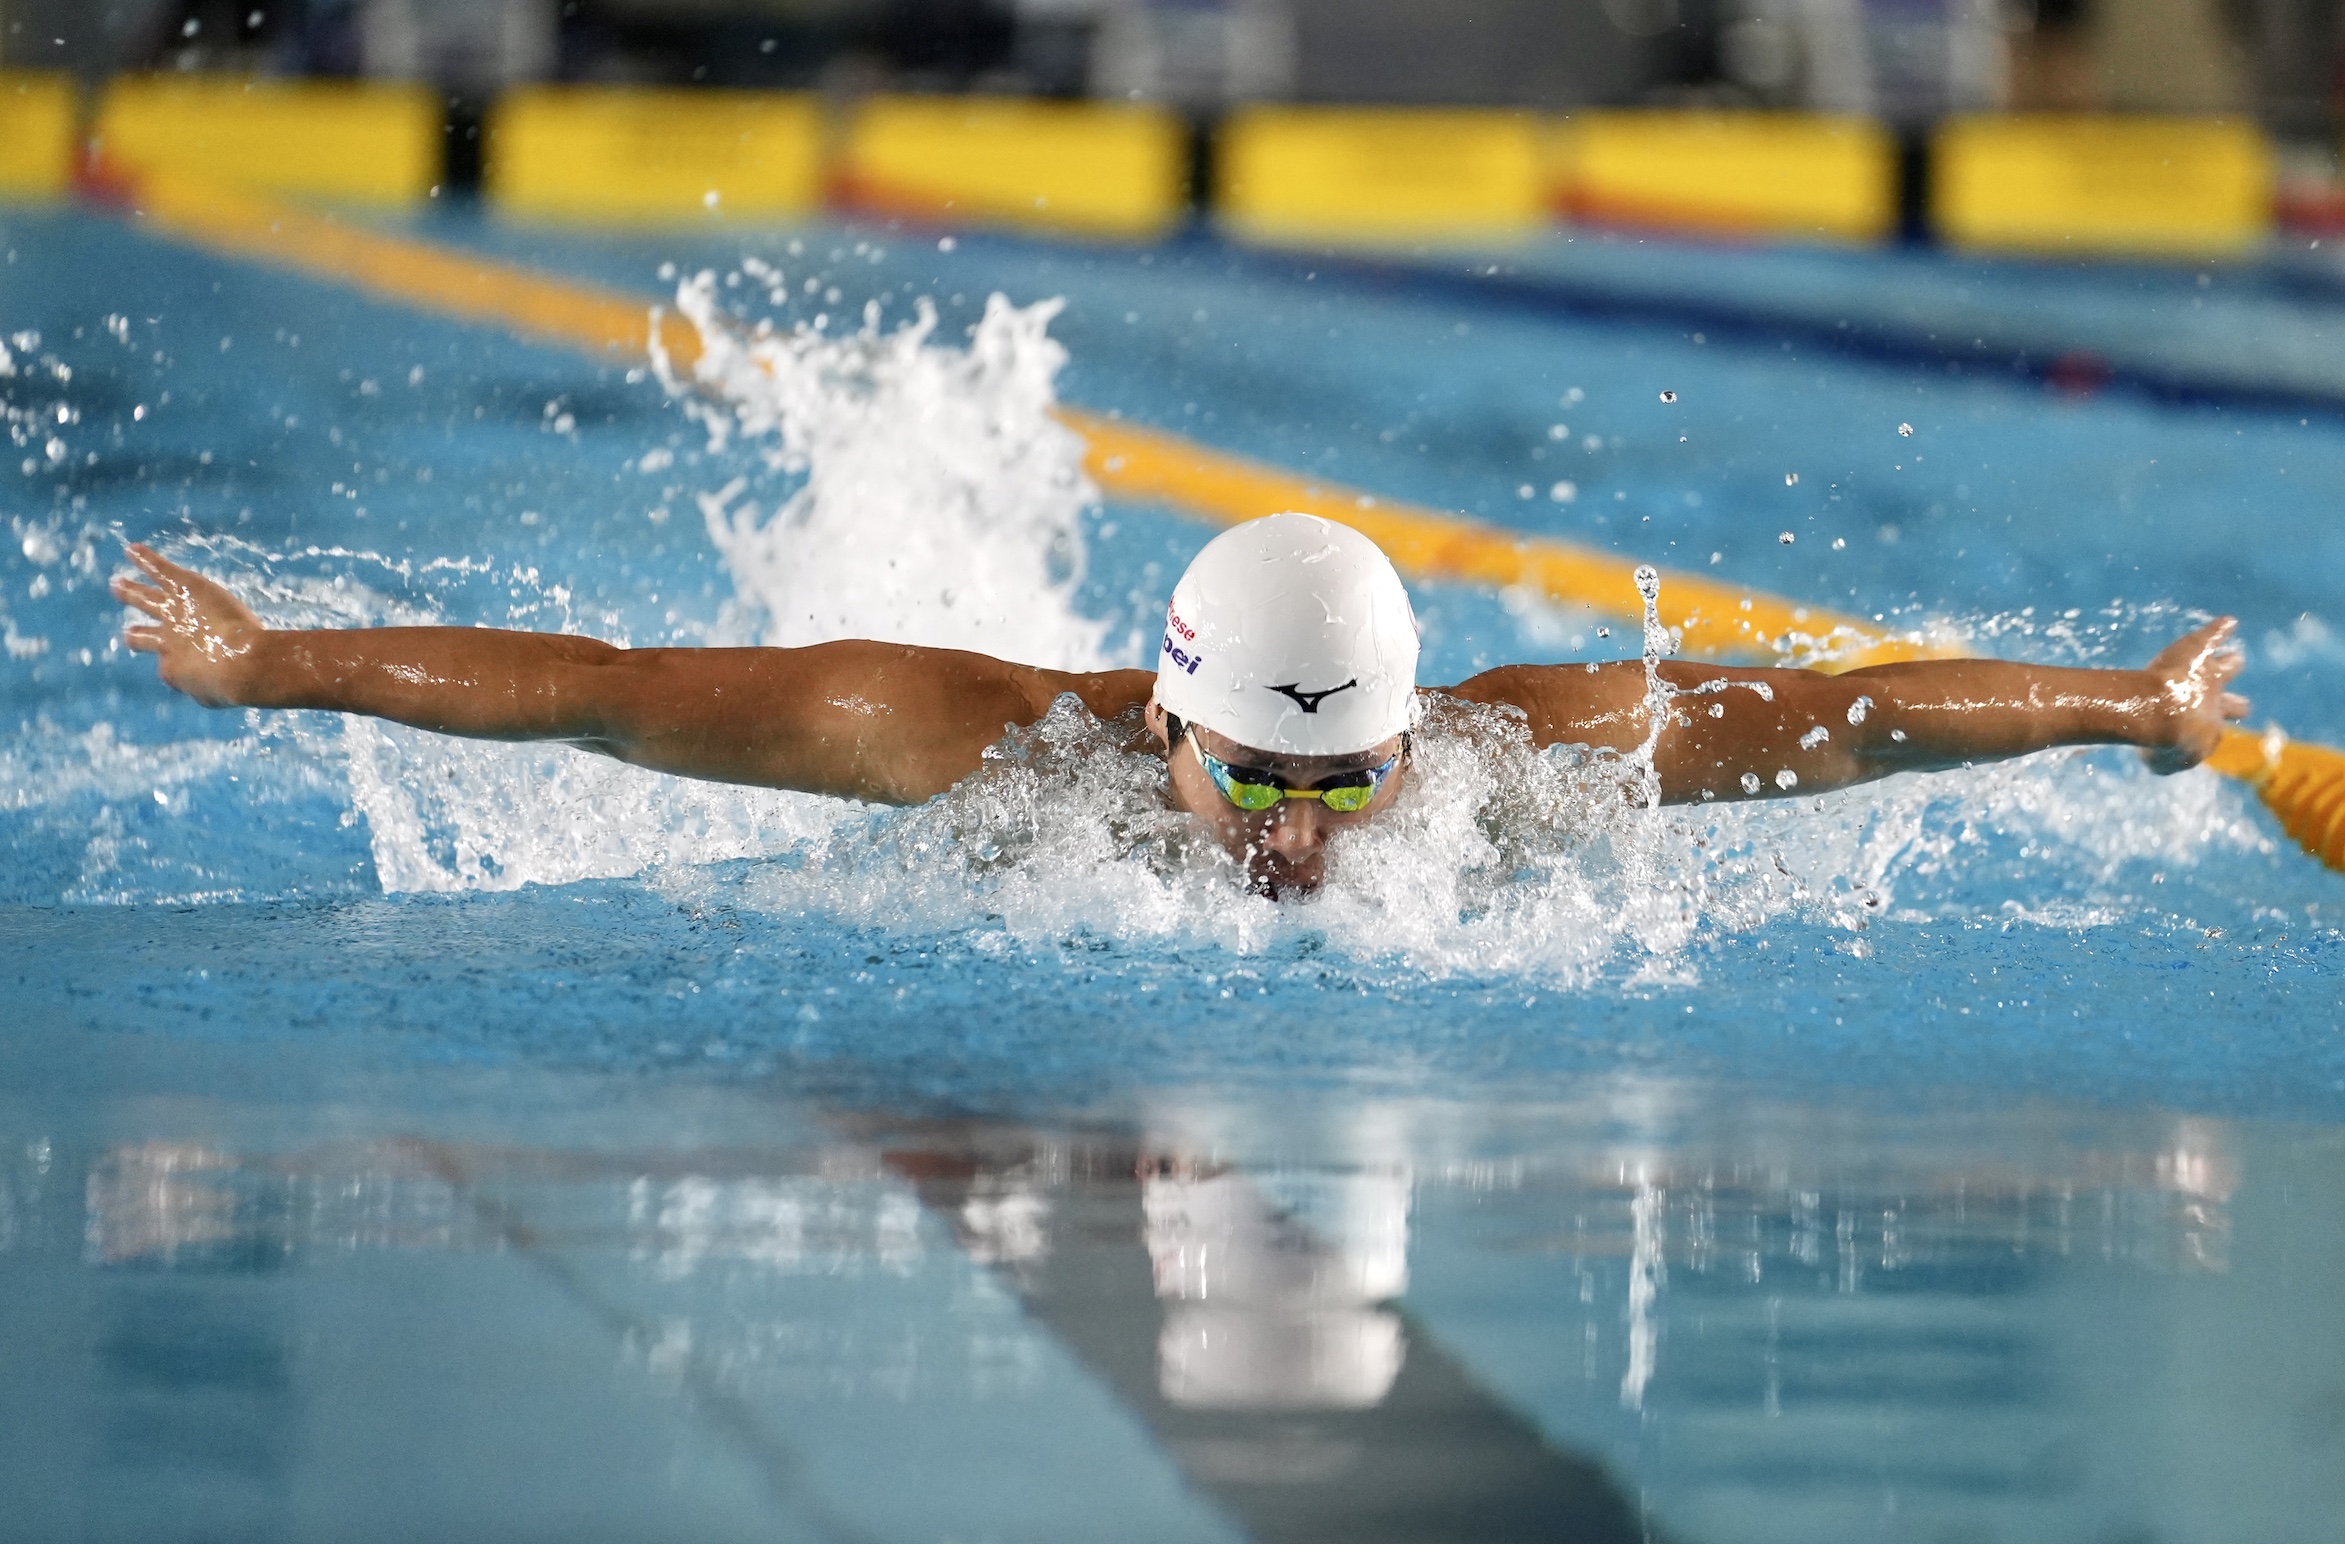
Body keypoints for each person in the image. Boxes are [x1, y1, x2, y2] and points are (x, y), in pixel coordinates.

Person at [112, 512, 2246, 896]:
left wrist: (2133, 707)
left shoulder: (1507, 758)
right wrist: (268, 663)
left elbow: (1849, 721)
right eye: (1252, 779)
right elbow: (606, 695)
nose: (1298, 845)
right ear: (1161, 718)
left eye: (1349, 783)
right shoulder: (963, 734)